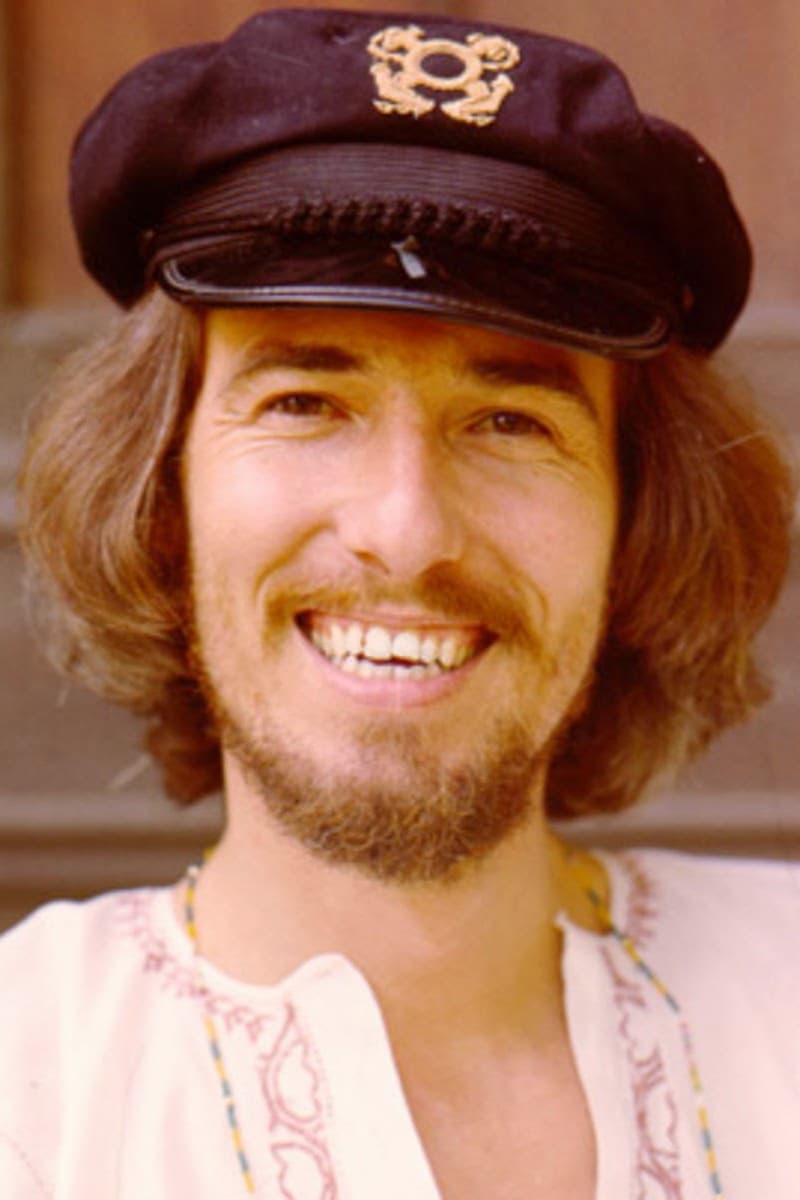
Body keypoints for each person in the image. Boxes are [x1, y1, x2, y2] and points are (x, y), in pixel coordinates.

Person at [4, 7, 798, 1198]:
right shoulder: (29, 1091)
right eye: (303, 404)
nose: (406, 531)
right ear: (160, 491)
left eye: (509, 422)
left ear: (637, 522)